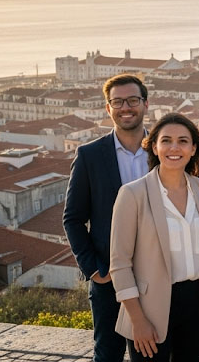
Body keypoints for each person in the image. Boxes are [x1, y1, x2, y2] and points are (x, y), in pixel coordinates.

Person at [109, 113, 199, 361]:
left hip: (197, 306)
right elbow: (119, 264)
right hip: (149, 308)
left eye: (183, 141)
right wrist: (137, 321)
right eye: (167, 141)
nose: (175, 148)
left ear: (194, 148)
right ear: (154, 146)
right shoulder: (132, 194)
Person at [64, 74, 150, 362]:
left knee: (153, 354)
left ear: (145, 104)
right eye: (118, 101)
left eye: (133, 100)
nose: (126, 107)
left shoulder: (166, 150)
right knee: (108, 355)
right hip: (109, 277)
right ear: (108, 108)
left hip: (157, 277)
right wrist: (94, 270)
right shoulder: (89, 156)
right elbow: (73, 219)